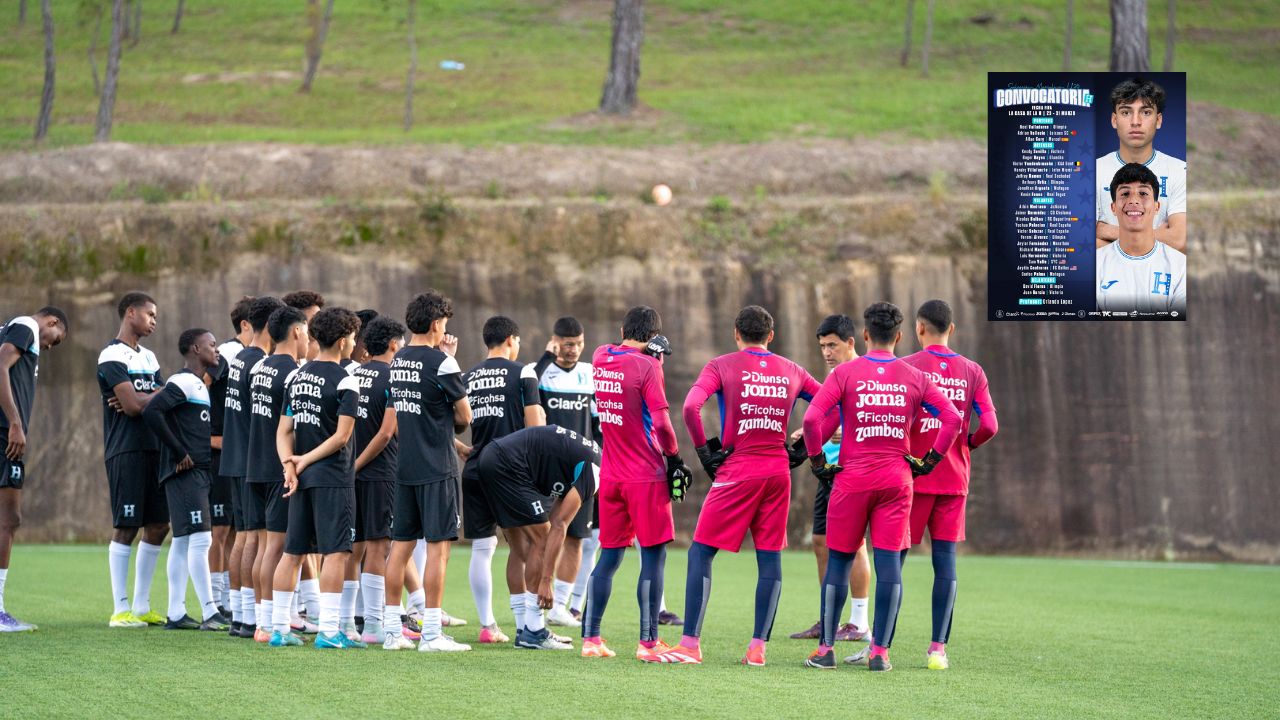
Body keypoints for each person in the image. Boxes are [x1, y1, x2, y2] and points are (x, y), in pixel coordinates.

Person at [648, 306, 820, 666]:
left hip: (738, 470)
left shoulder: (721, 365)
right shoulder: (792, 370)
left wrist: (703, 451)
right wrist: (805, 448)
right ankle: (758, 649)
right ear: (771, 335)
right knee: (769, 556)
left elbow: (692, 407)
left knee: (700, 553)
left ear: (736, 334)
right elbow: (828, 406)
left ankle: (690, 645)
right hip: (778, 473)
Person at [801, 302, 961, 672]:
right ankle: (880, 654)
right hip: (896, 481)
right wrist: (930, 461)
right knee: (889, 564)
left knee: (839, 561)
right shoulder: (914, 376)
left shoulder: (845, 374)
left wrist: (818, 462)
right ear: (900, 337)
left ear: (867, 335)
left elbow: (812, 420)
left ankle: (826, 651)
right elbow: (951, 418)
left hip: (851, 480)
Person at [581, 306, 686, 660]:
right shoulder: (648, 366)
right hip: (646, 475)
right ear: (655, 336)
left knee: (608, 557)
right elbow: (662, 425)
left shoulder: (599, 356)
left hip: (610, 475)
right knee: (653, 558)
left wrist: (648, 354)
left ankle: (591, 639)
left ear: (623, 328)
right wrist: (675, 457)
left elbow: (620, 357)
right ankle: (649, 642)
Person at [903, 300, 999, 670]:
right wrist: (966, 444)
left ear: (919, 328)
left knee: (894, 560)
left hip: (912, 477)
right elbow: (990, 425)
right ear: (952, 329)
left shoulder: (906, 366)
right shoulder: (972, 370)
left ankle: (881, 646)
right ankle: (937, 648)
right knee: (945, 565)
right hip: (953, 479)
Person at [382, 291, 473, 652]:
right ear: (436, 324)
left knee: (399, 548)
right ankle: (432, 634)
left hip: (405, 466)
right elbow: (464, 417)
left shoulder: (399, 358)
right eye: (444, 325)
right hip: (437, 465)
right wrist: (449, 363)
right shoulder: (443, 363)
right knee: (438, 549)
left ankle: (392, 632)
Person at [269, 307, 364, 649]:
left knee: (292, 553)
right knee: (336, 553)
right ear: (342, 341)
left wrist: (290, 466)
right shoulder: (346, 380)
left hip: (301, 478)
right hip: (333, 477)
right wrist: (303, 461)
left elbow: (283, 431)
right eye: (353, 338)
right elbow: (341, 437)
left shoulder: (296, 376)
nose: (355, 344)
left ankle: (279, 629)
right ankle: (328, 632)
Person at [789, 314, 873, 648]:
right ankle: (829, 618)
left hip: (853, 474)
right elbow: (828, 418)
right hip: (828, 472)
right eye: (822, 346)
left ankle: (859, 621)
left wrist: (841, 431)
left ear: (851, 343)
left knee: (855, 545)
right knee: (820, 542)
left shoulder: (864, 372)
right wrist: (813, 433)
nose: (826, 351)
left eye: (832, 345)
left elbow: (869, 418)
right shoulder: (836, 375)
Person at [477, 425, 599, 650]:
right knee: (541, 538)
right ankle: (534, 630)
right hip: (508, 464)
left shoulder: (585, 460)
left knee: (520, 545)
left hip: (490, 458)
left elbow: (555, 520)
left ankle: (524, 628)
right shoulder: (594, 472)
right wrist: (546, 580)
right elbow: (559, 526)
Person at [141, 328, 229, 631]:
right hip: (186, 473)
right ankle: (209, 612)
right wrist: (179, 453)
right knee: (202, 538)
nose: (216, 350)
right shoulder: (183, 381)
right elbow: (153, 411)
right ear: (195, 348)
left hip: (198, 473)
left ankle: (176, 612)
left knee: (182, 542)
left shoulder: (200, 385)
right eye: (212, 345)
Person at [462, 316, 544, 645]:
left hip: (476, 463)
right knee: (525, 545)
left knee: (483, 548)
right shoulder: (523, 372)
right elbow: (535, 426)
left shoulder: (469, 376)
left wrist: (460, 448)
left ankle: (487, 625)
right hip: (511, 468)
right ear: (511, 339)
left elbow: (448, 421)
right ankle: (527, 624)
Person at [98, 292, 169, 628]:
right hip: (125, 449)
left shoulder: (150, 358)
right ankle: (120, 609)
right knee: (126, 526)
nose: (154, 321)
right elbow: (133, 407)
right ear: (130, 313)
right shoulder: (111, 355)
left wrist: (148, 396)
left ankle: (141, 606)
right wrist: (152, 396)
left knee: (158, 525)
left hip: (155, 448)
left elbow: (162, 399)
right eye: (150, 314)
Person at [529, 316, 602, 627]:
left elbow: (600, 423)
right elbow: (526, 392)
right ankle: (533, 605)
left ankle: (560, 607)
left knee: (577, 537)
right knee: (542, 536)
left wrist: (598, 455)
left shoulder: (590, 374)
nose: (574, 350)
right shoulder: (539, 371)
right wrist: (547, 357)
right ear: (555, 341)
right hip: (545, 468)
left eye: (579, 344)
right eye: (568, 344)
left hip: (581, 468)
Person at [0, 308, 68, 632]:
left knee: (9, 519)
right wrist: (15, 423)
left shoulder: (15, 330)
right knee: (8, 519)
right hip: (4, 437)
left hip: (7, 437)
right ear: (52, 323)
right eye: (58, 339)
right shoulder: (26, 326)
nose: (52, 347)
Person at [244, 306, 309, 643]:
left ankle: (259, 620)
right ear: (297, 332)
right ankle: (267, 624)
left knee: (264, 546)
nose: (309, 338)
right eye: (307, 331)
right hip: (278, 467)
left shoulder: (260, 367)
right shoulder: (292, 373)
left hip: (254, 465)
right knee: (276, 547)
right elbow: (291, 427)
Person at [222, 295, 283, 638]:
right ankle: (252, 617)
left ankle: (241, 615)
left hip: (236, 457)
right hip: (252, 459)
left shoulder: (241, 359)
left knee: (244, 537)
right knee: (255, 539)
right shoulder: (260, 362)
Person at [349, 315, 406, 645]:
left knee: (351, 548)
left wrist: (350, 465)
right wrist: (358, 464)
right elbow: (387, 432)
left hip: (351, 472)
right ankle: (373, 626)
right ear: (394, 344)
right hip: (379, 472)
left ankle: (345, 622)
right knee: (378, 546)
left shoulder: (355, 374)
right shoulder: (393, 377)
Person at [1096, 76, 1186, 253]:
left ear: (1158, 120)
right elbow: (1081, 243)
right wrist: (1158, 236)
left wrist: (1105, 230)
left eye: (1145, 112)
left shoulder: (1180, 171)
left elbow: (1179, 240)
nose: (1135, 121)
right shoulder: (1092, 171)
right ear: (1114, 120)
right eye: (1126, 112)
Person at [208, 296, 254, 618]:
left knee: (238, 530)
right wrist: (209, 436)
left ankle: (231, 598)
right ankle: (217, 599)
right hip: (219, 452)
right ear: (246, 325)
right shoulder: (227, 352)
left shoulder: (256, 356)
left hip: (241, 455)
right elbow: (201, 382)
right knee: (220, 530)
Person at [1095, 163, 1187, 315]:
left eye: (1143, 193)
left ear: (1157, 206)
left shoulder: (1181, 267)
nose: (1134, 201)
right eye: (1125, 194)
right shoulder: (1095, 265)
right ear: (1113, 208)